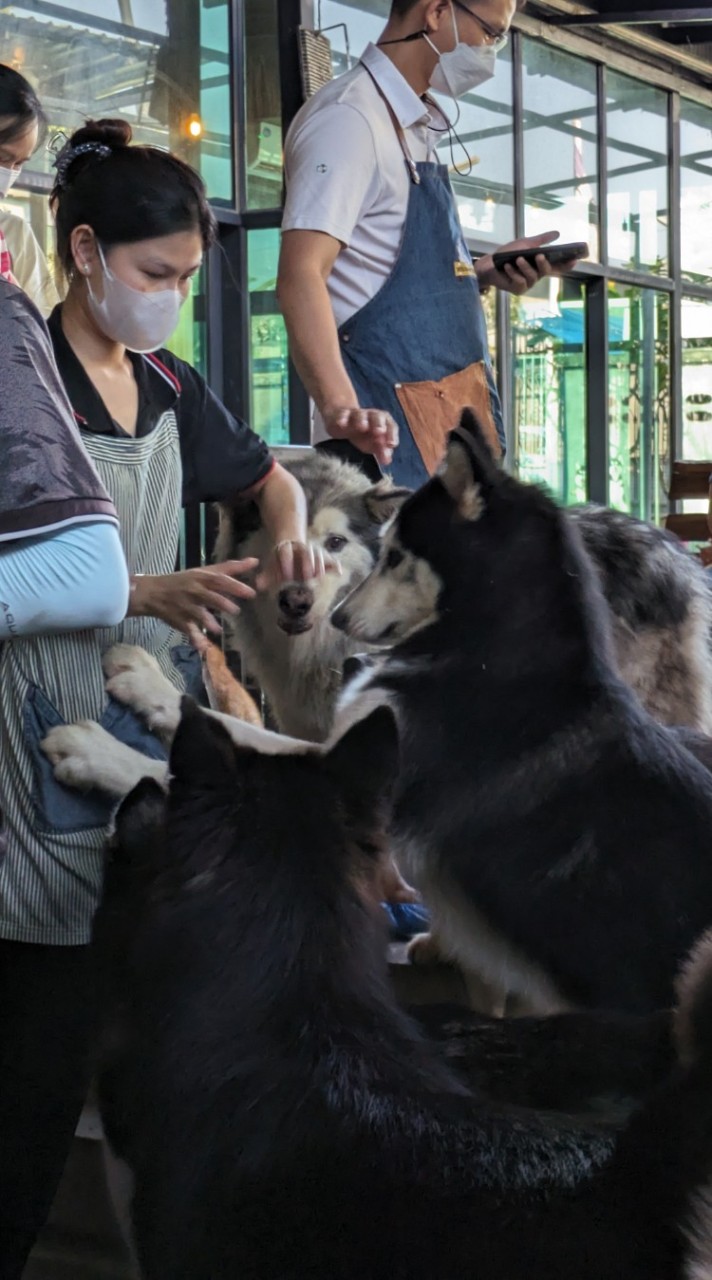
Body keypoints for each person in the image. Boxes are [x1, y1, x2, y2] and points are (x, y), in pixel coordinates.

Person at [0, 118, 324, 1278]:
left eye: (187, 279)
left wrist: (287, 555)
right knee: (34, 1064)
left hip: (149, 732)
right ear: (83, 253)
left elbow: (271, 484)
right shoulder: (19, 385)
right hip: (30, 734)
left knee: (164, 1035)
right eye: (155, 276)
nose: (171, 300)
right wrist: (140, 584)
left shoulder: (171, 386)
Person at [278, 0, 584, 487]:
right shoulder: (349, 121)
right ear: (438, 11)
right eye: (492, 33)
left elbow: (382, 269)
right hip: (382, 449)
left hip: (441, 432)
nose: (491, 53)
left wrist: (480, 273)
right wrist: (342, 410)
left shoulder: (412, 125)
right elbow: (300, 275)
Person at [0, 64, 60, 315]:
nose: (9, 175)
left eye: (18, 164)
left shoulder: (14, 236)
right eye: (2, 157)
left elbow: (42, 337)